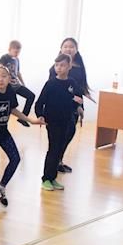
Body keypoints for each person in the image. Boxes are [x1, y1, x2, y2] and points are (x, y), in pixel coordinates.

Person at [0, 65, 39, 210]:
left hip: (3, 132)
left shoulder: (10, 91)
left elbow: (13, 109)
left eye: (4, 76)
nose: (1, 79)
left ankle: (1, 187)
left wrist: (30, 120)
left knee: (15, 159)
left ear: (9, 78)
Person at [36, 54, 82, 191]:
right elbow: (40, 102)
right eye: (57, 65)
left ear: (69, 66)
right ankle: (46, 178)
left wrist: (77, 105)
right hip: (52, 121)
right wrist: (40, 116)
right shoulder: (50, 83)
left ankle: (52, 177)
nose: (59, 68)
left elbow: (77, 100)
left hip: (66, 121)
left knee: (59, 150)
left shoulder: (72, 83)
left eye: (62, 65)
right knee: (53, 149)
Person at [46, 37, 89, 174]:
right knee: (57, 138)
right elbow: (52, 90)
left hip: (73, 107)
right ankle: (52, 165)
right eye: (65, 46)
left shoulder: (79, 67)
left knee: (69, 133)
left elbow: (79, 89)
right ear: (61, 49)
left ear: (76, 50)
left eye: (71, 47)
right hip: (59, 108)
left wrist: (80, 107)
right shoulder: (56, 68)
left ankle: (58, 160)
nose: (68, 49)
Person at [0, 40, 35, 127]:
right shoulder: (5, 57)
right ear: (10, 49)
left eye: (18, 51)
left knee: (31, 96)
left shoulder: (17, 60)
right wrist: (4, 79)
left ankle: (23, 118)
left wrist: (23, 84)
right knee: (9, 106)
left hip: (16, 85)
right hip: (8, 86)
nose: (17, 52)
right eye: (15, 50)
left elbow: (18, 72)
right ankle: (2, 124)